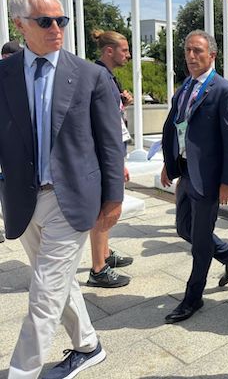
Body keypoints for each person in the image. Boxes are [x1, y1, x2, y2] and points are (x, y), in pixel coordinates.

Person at [1, 0, 124, 378]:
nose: (57, 27)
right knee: (55, 282)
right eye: (45, 21)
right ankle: (88, 345)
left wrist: (114, 198)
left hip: (70, 199)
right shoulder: (3, 74)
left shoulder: (90, 76)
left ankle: (22, 372)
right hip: (22, 198)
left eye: (61, 19)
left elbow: (110, 144)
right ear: (20, 25)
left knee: (43, 294)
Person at [160, 30, 228, 324]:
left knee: (199, 243)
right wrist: (169, 163)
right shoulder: (185, 86)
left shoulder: (223, 90)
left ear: (212, 55)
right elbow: (175, 126)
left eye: (197, 51)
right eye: (187, 50)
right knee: (184, 228)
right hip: (186, 172)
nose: (191, 56)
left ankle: (192, 298)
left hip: (209, 178)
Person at [87, 29, 134, 288]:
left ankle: (104, 254)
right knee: (103, 211)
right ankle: (98, 269)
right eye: (124, 50)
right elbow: (106, 129)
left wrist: (122, 104)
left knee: (103, 211)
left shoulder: (105, 76)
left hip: (107, 154)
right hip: (103, 156)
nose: (127, 55)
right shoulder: (101, 78)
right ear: (109, 51)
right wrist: (117, 164)